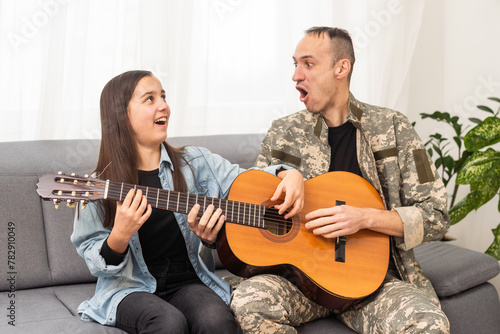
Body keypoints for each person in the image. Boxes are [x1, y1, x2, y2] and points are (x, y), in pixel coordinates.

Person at [230, 27, 451, 333]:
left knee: (429, 323)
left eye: (308, 64)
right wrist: (210, 232)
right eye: (294, 64)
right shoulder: (283, 133)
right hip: (299, 285)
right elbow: (255, 211)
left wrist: (364, 218)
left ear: (341, 68)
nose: (296, 75)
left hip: (373, 286)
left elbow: (437, 217)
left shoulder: (393, 127)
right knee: (249, 301)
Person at [70, 70, 304, 334]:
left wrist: (288, 173)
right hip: (129, 289)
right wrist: (120, 236)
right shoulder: (97, 187)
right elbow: (93, 257)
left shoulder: (196, 162)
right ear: (121, 115)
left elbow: (247, 182)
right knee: (168, 323)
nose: (164, 106)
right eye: (150, 99)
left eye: (163, 96)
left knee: (217, 323)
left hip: (189, 282)